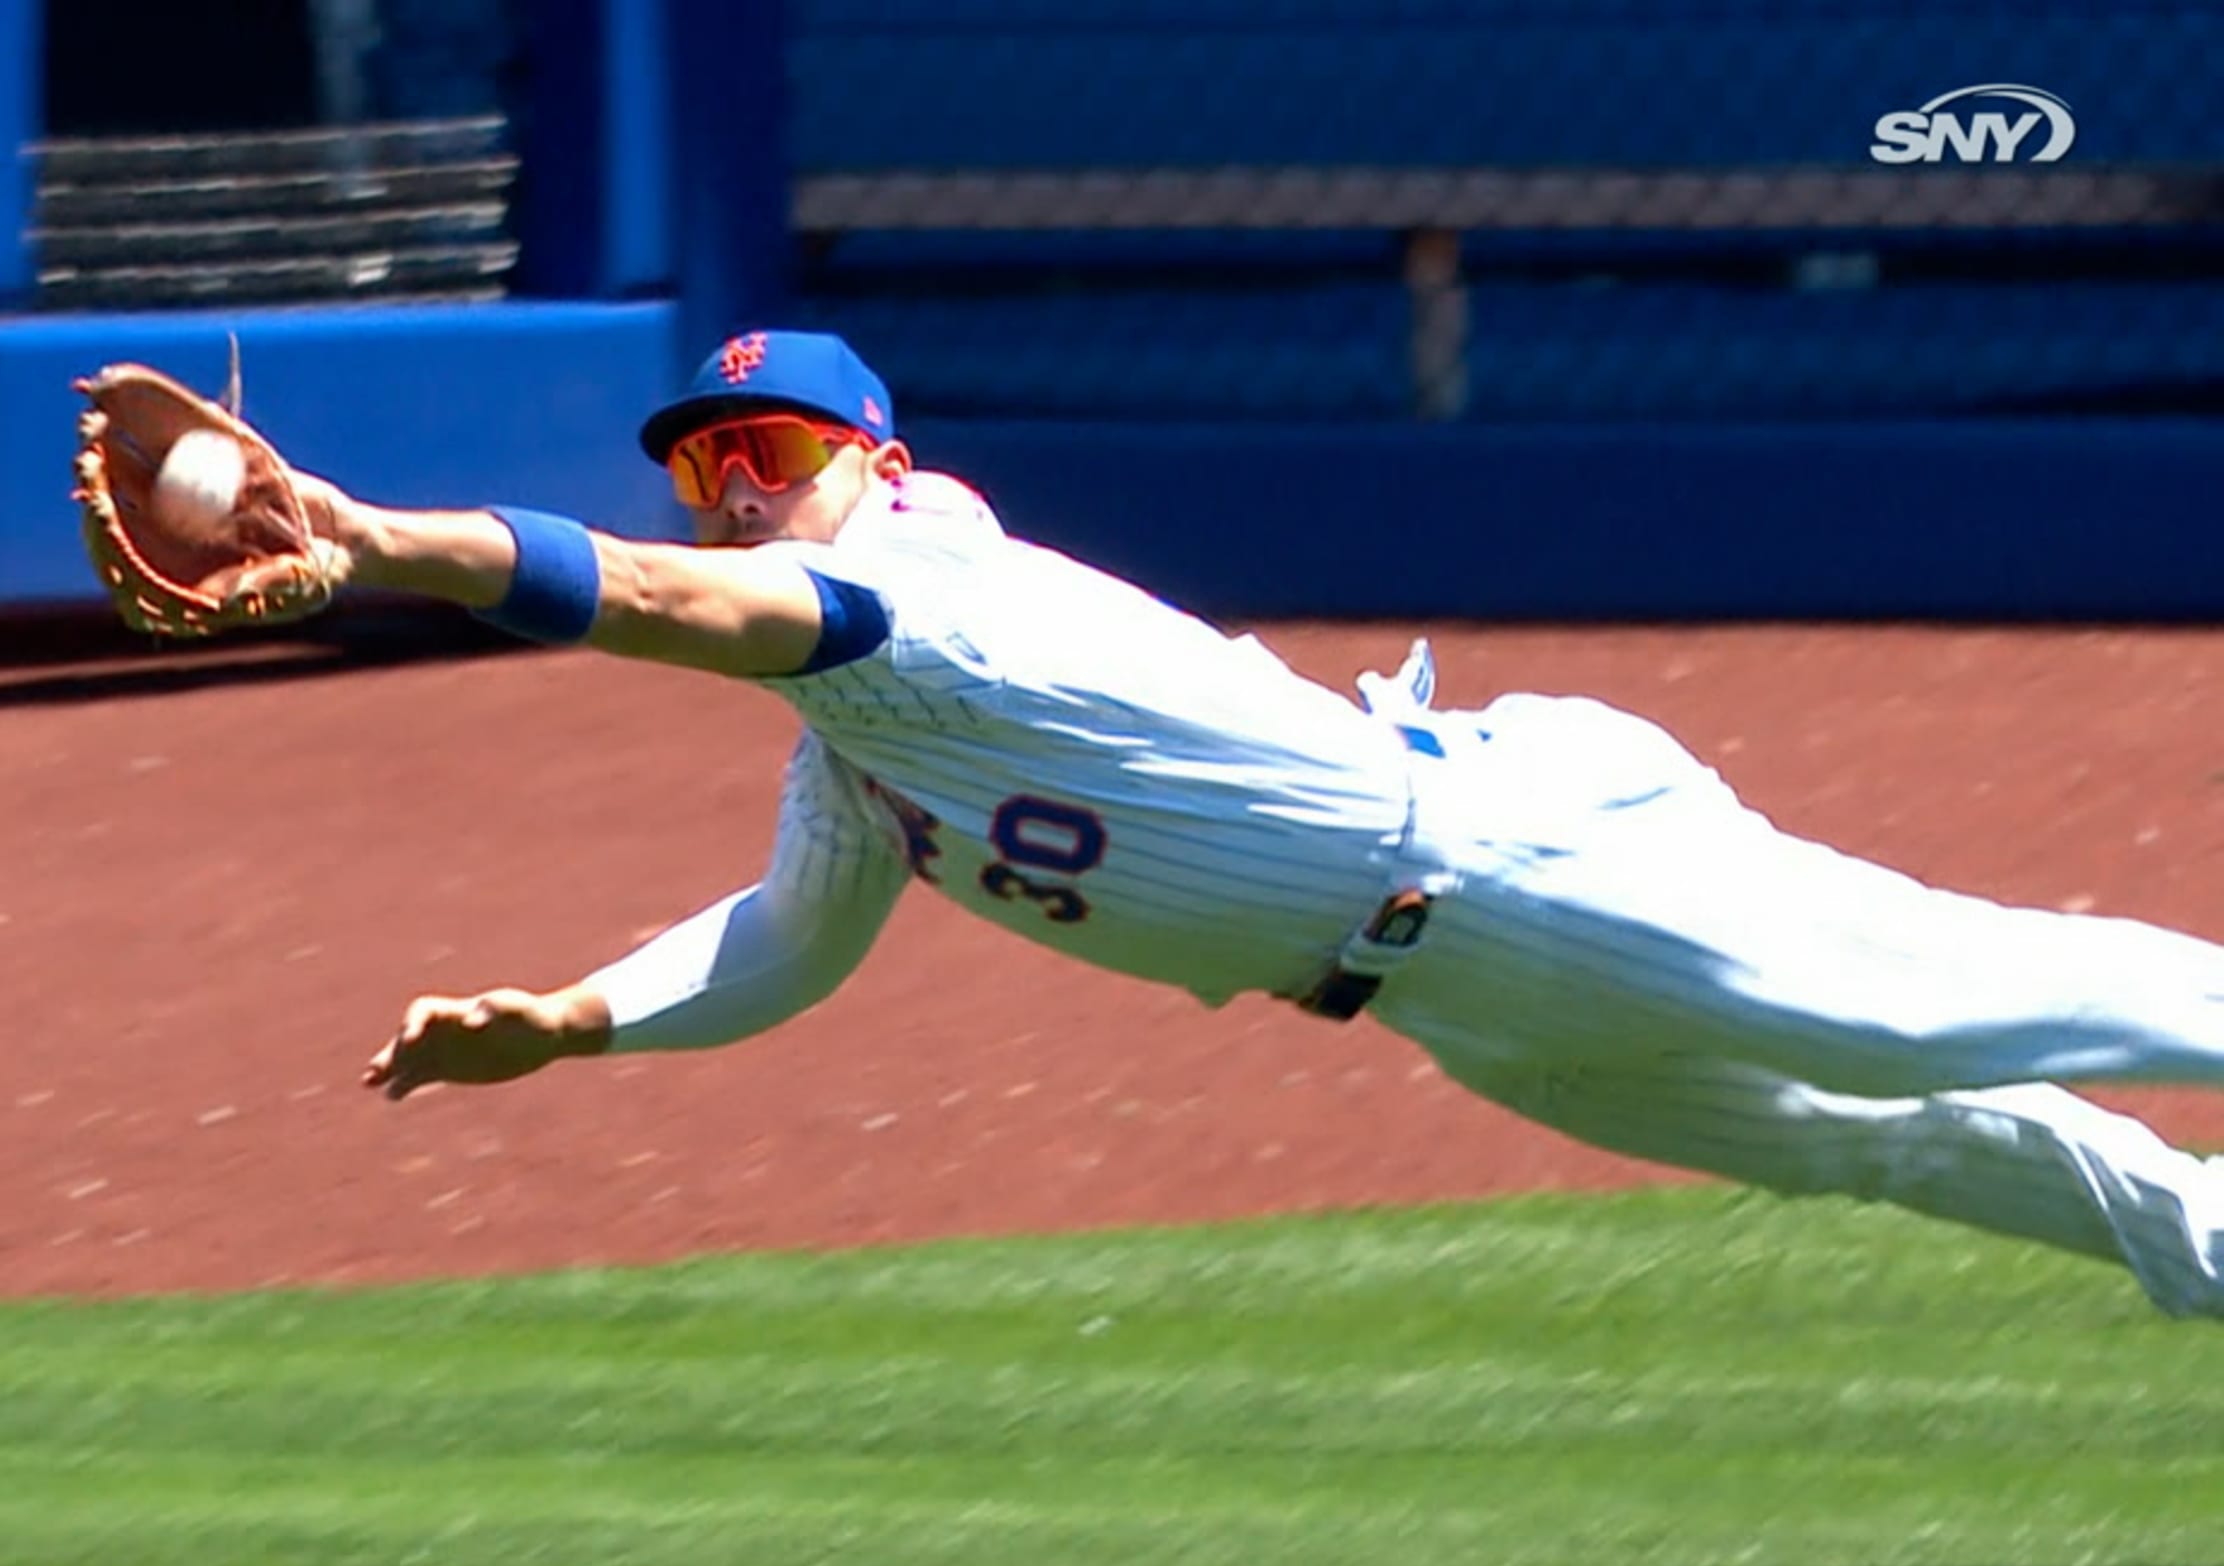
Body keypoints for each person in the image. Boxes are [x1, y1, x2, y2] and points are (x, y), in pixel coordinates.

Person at [299, 328, 2224, 1320]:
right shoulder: (860, 729)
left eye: (768, 454)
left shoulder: (921, 592)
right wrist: (578, 1021)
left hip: (1521, 864)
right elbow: (792, 942)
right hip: (1457, 990)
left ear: (874, 463)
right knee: (1889, 1140)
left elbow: (647, 602)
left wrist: (387, 541)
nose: (730, 490)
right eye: (706, 463)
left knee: (1957, 1007)